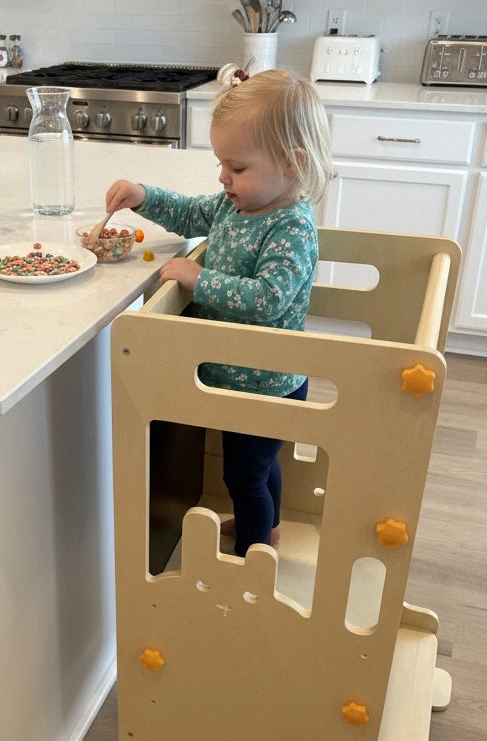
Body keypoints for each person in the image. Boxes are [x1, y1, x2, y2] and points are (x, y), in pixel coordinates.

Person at [104, 69, 334, 557]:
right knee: (259, 466)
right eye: (221, 165)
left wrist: (197, 278)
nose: (224, 178)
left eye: (238, 167)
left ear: (293, 164)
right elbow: (189, 212)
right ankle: (267, 527)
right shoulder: (237, 205)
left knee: (245, 473)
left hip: (267, 382)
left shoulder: (292, 227)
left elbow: (269, 298)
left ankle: (255, 556)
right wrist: (143, 195)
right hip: (237, 376)